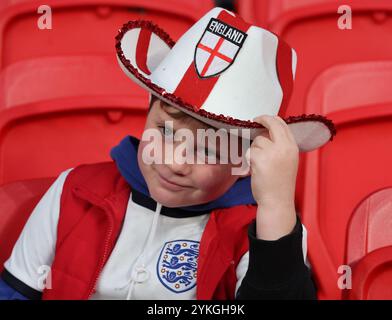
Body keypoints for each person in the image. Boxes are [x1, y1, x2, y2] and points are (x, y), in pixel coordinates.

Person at [0, 7, 336, 300]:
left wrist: (277, 206)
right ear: (147, 113)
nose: (175, 162)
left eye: (207, 150)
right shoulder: (72, 190)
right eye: (164, 131)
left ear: (248, 160)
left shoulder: (266, 229)